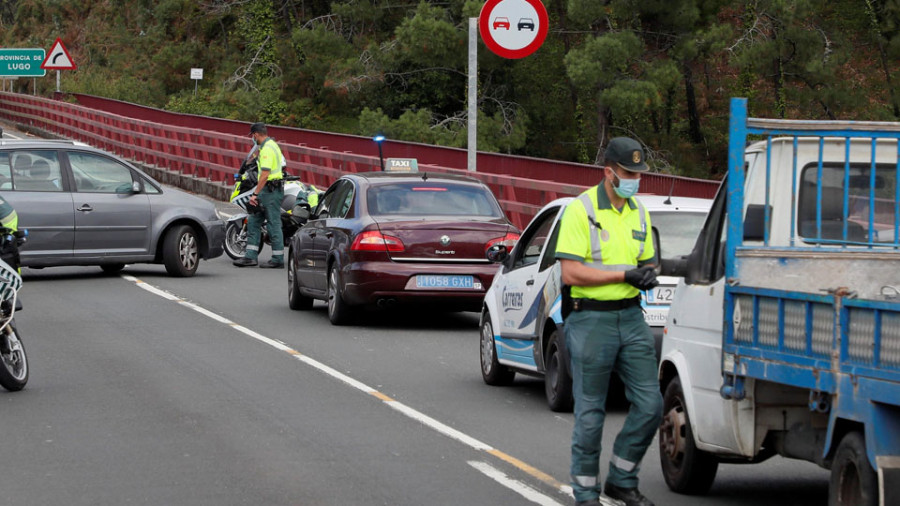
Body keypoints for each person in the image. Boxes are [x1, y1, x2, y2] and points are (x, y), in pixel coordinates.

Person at [554, 137, 662, 506]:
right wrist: (624, 277)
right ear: (609, 172)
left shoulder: (639, 211)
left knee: (651, 405)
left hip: (631, 317)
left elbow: (647, 261)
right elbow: (571, 272)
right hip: (590, 320)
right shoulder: (580, 210)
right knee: (590, 414)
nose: (635, 180)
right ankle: (585, 494)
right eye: (629, 173)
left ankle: (621, 479)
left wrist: (648, 273)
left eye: (639, 174)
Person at [233, 123, 286, 268]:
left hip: (270, 191)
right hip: (268, 190)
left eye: (252, 136)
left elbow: (265, 173)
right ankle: (250, 256)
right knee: (254, 221)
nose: (253, 139)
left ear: (256, 134)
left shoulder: (267, 149)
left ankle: (278, 258)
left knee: (273, 223)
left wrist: (254, 194)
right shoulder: (272, 145)